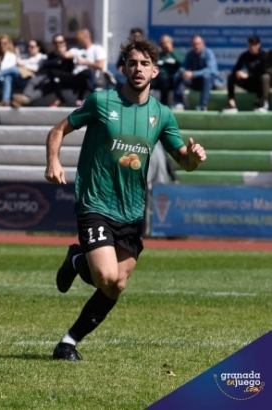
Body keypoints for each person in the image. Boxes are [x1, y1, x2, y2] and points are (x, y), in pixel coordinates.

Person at [44, 37, 206, 361]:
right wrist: (53, 161)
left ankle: (68, 342)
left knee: (116, 285)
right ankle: (79, 259)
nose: (138, 68)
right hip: (96, 201)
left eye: (145, 64)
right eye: (132, 63)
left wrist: (194, 157)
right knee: (104, 276)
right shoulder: (101, 101)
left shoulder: (161, 114)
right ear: (123, 68)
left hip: (132, 209)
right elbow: (58, 130)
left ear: (155, 71)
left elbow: (182, 161)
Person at [11, 34, 75, 108]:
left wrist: (57, 62)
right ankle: (25, 98)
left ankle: (25, 99)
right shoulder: (51, 55)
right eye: (56, 42)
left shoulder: (70, 52)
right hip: (49, 77)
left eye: (60, 42)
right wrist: (56, 63)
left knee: (46, 85)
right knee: (34, 80)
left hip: (63, 80)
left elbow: (67, 67)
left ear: (64, 43)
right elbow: (46, 65)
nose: (58, 44)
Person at [173, 35, 223, 111]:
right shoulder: (190, 54)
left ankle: (203, 105)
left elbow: (211, 69)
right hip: (195, 82)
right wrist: (184, 72)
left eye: (198, 44)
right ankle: (178, 102)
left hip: (209, 83)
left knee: (207, 76)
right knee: (178, 76)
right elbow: (183, 66)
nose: (196, 46)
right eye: (194, 44)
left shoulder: (208, 53)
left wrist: (193, 74)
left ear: (203, 44)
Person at [222, 35, 269, 113]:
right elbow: (236, 68)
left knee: (263, 78)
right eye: (250, 45)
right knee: (231, 76)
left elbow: (263, 72)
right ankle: (231, 103)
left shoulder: (264, 56)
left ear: (258, 45)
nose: (252, 47)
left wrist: (248, 75)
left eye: (254, 45)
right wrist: (238, 73)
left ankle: (258, 103)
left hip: (259, 84)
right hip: (249, 83)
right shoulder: (245, 55)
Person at [70, 29, 107, 106]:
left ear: (86, 37)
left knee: (85, 73)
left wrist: (84, 62)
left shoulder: (97, 49)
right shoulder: (77, 50)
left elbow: (100, 65)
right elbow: (65, 55)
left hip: (91, 77)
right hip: (76, 76)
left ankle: (81, 98)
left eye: (79, 38)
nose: (78, 41)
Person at [152, 34, 184, 106]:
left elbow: (183, 63)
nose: (164, 45)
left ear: (171, 43)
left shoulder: (178, 53)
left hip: (173, 79)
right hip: (160, 80)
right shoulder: (159, 55)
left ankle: (177, 102)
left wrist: (171, 51)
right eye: (162, 43)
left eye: (166, 42)